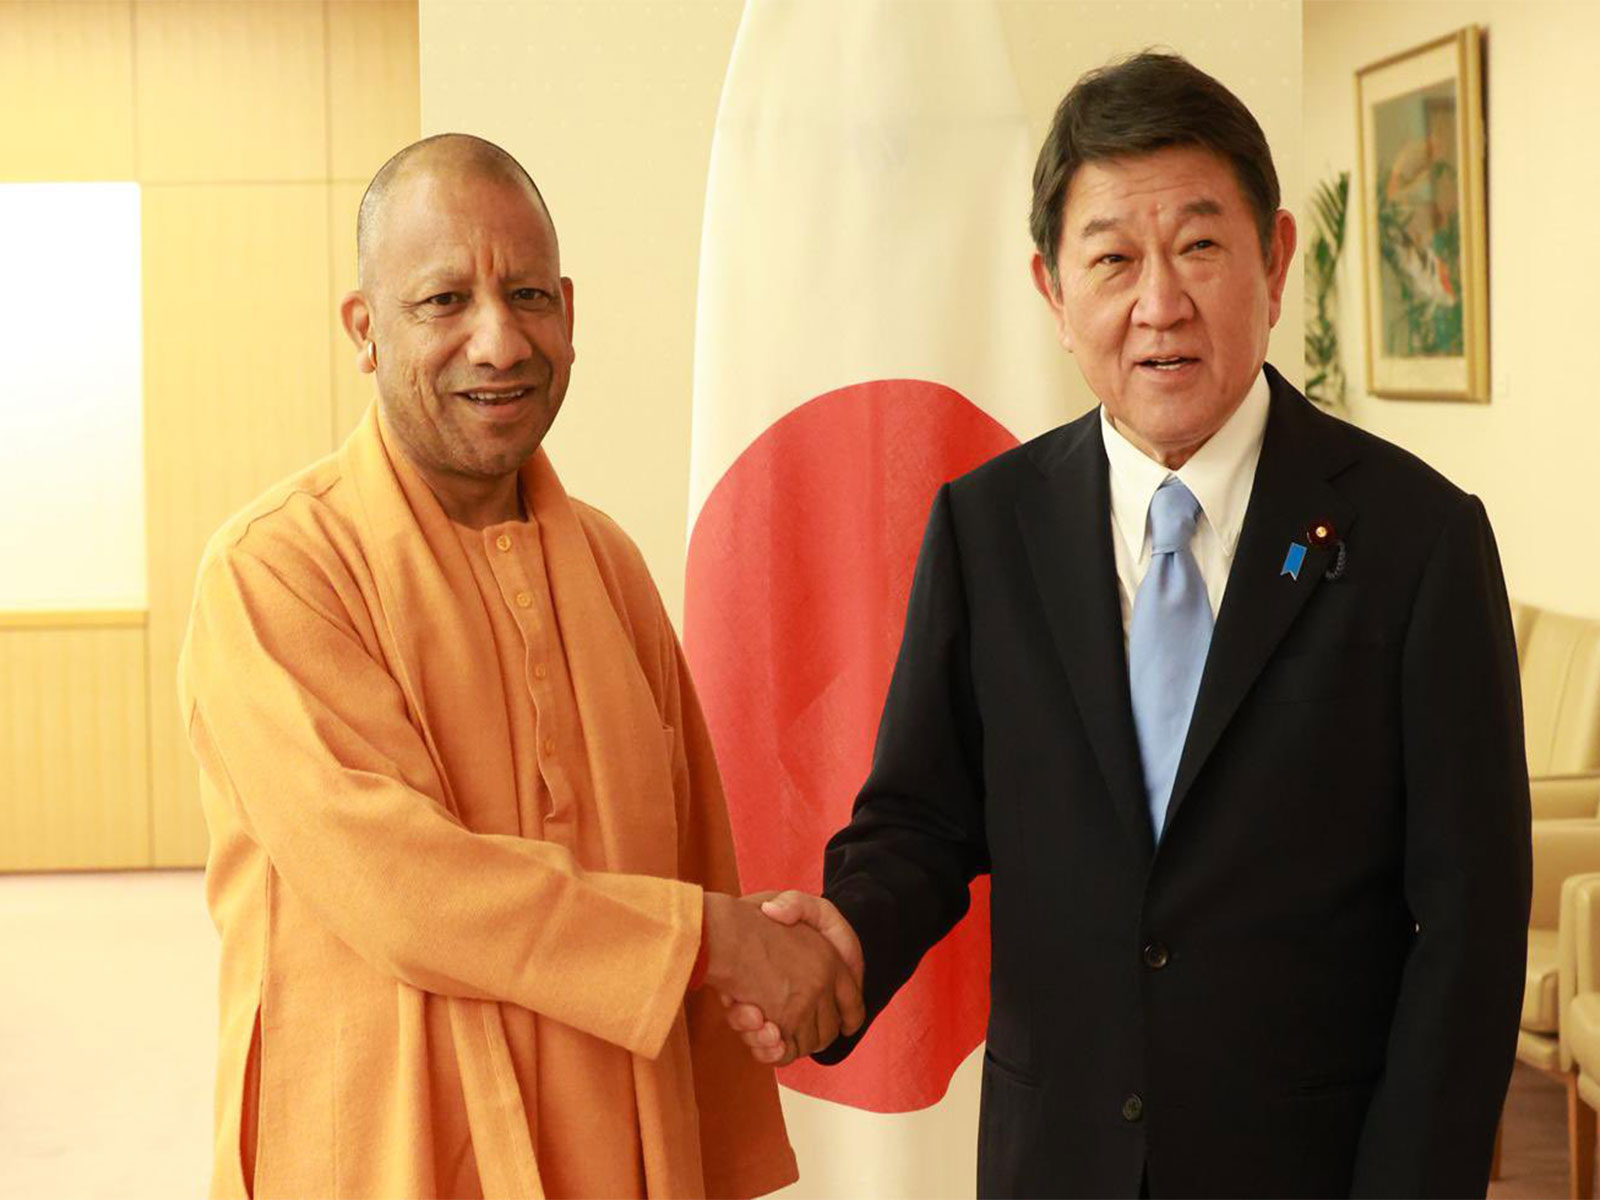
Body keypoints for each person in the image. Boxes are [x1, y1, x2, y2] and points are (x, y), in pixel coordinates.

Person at [724, 52, 1530, 1197]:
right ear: (1054, 294)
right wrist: (846, 937)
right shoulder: (984, 526)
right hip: (1057, 1163)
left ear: (1277, 261)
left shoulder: (1418, 540)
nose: (1160, 303)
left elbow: (1469, 932)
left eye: (1200, 245)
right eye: (1112, 259)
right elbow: (922, 815)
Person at [179, 133, 861, 1200]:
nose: (497, 341)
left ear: (571, 315)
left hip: (618, 1156)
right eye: (443, 301)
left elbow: (692, 860)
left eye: (529, 295)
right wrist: (713, 944)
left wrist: (736, 997)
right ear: (365, 329)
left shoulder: (609, 566)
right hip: (384, 1157)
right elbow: (404, 889)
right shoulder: (276, 571)